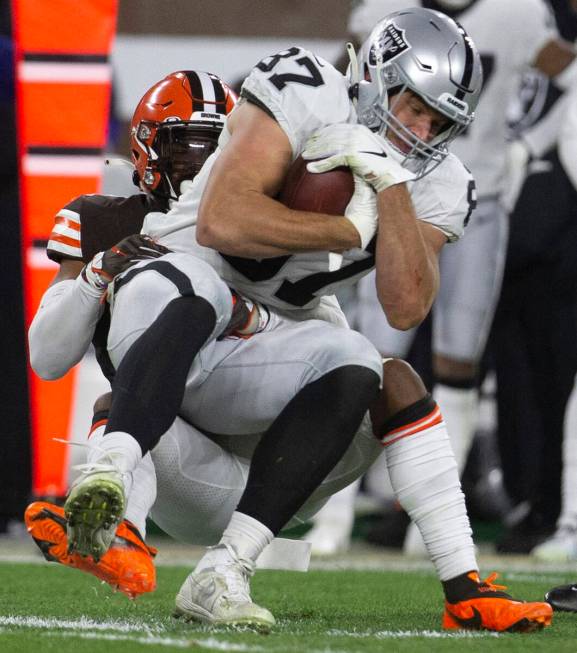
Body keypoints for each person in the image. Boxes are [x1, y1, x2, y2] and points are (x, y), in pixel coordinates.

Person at [58, 8, 553, 633]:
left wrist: (392, 185)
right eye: (413, 107)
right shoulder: (306, 89)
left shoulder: (441, 180)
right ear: (377, 77)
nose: (422, 130)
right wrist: (346, 230)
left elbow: (406, 306)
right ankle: (113, 490)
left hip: (259, 362)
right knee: (196, 287)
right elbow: (222, 223)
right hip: (170, 329)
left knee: (370, 366)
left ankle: (241, 569)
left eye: (440, 121)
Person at [308, 0, 577, 556]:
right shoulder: (389, 10)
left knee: (459, 364)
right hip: (388, 193)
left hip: (478, 202)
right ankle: (331, 512)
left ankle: (432, 523)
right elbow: (345, 75)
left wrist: (529, 144)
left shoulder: (519, 13)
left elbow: (570, 74)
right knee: (369, 354)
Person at [25, 70, 244, 598]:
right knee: (129, 399)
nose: (206, 163)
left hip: (245, 459)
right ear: (149, 147)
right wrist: (97, 274)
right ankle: (124, 539)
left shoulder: (255, 226)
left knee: (123, 397)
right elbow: (47, 358)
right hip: (164, 452)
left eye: (219, 148)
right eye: (190, 146)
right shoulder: (102, 221)